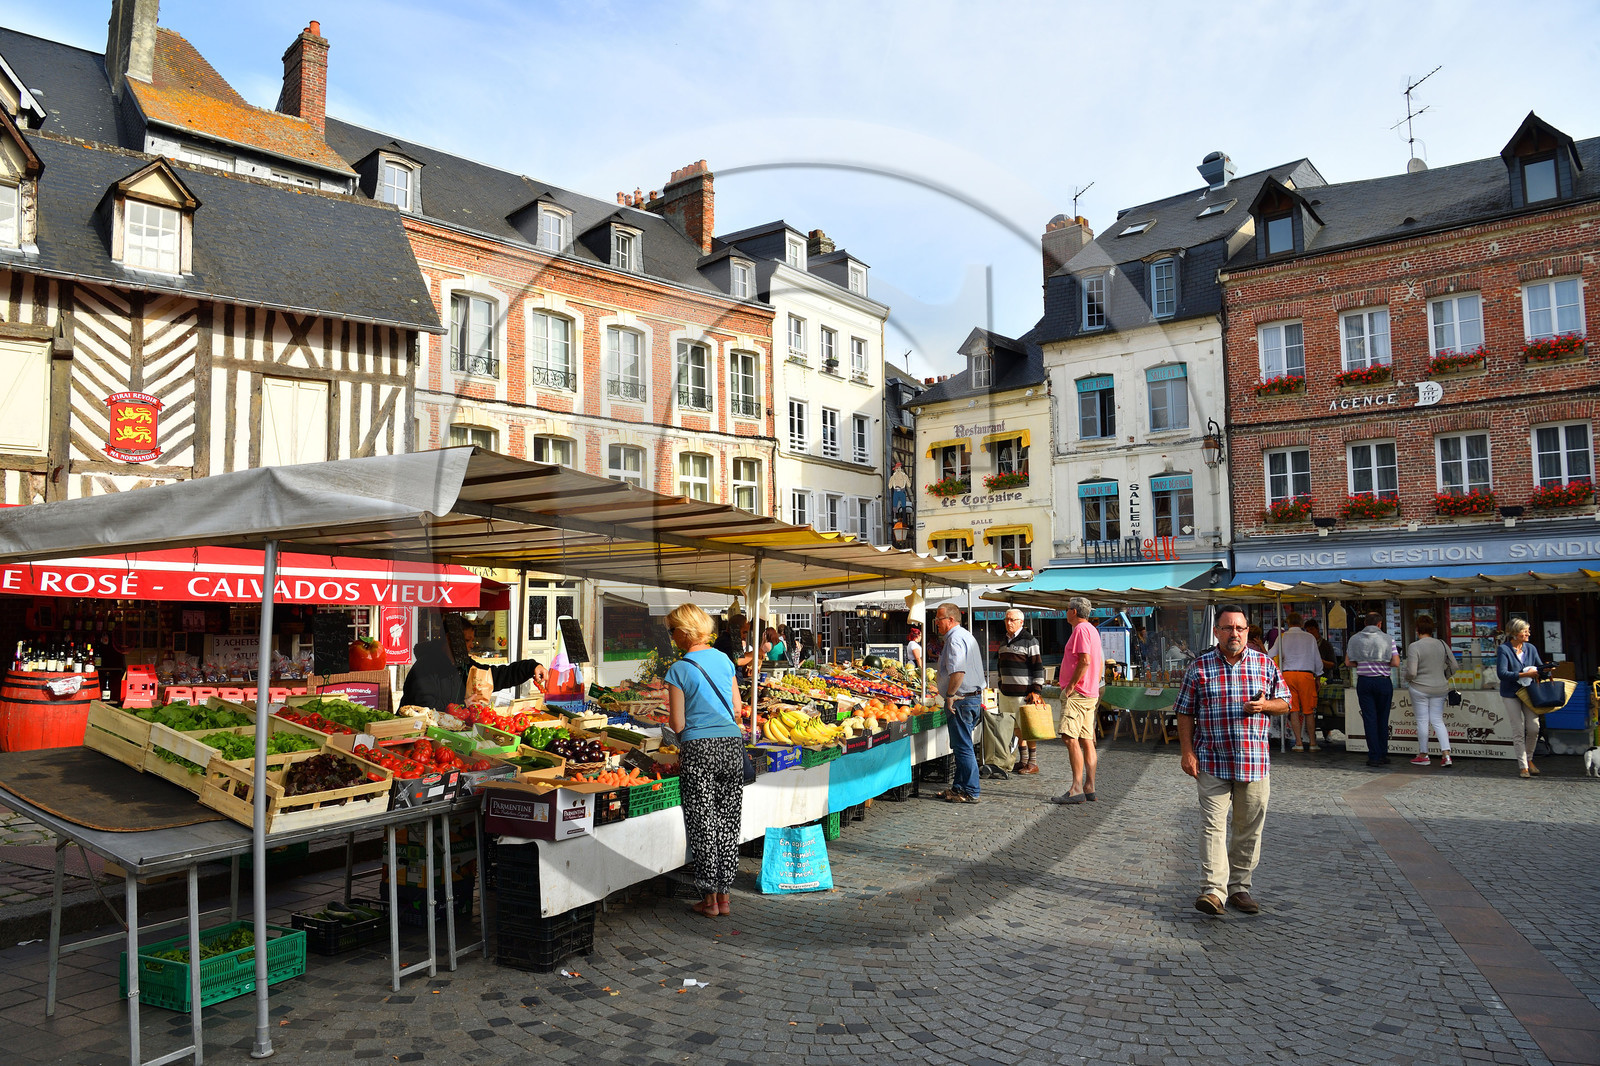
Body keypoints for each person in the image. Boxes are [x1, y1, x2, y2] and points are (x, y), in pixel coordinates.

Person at [1175, 605, 1293, 917]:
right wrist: (1187, 752)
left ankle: (1240, 887)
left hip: (1254, 762)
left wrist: (1265, 704)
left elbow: (1285, 702)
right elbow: (1184, 712)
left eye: (1239, 628)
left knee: (1248, 829)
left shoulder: (1264, 664)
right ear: (1216, 632)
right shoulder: (1199, 667)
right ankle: (1214, 890)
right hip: (1212, 760)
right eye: (1227, 628)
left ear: (1247, 631)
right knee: (1213, 826)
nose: (1234, 634)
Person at [662, 603, 745, 918]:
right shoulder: (724, 659)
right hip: (731, 744)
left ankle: (709, 900)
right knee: (728, 820)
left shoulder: (679, 669)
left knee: (703, 822)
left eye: (672, 631)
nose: (671, 637)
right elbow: (737, 707)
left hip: (700, 749)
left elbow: (678, 724)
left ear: (684, 632)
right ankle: (725, 898)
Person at [400, 613, 546, 711]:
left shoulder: (465, 665)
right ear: (450, 638)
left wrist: (531, 667)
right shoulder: (425, 668)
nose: (471, 645)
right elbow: (422, 707)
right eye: (467, 640)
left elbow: (497, 675)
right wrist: (463, 705)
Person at [1051, 596, 1103, 805]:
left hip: (1079, 694)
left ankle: (1076, 788)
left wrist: (1071, 686)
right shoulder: (1092, 630)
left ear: (1074, 611)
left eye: (1067, 609)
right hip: (1090, 692)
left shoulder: (1081, 630)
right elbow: (1097, 663)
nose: (1065, 612)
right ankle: (1089, 786)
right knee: (1086, 739)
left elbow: (1085, 660)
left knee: (1069, 737)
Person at [932, 602, 985, 803]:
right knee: (963, 745)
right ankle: (959, 787)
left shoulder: (954, 640)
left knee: (963, 747)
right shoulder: (966, 635)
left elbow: (958, 672)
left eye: (939, 619)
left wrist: (950, 695)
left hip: (962, 699)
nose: (936, 623)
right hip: (972, 698)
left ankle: (971, 791)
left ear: (951, 620)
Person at [993, 608, 1045, 776]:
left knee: (1028, 727)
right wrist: (1000, 683)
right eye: (1007, 619)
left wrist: (1037, 690)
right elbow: (999, 665)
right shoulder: (1003, 641)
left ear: (1021, 622)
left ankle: (1033, 762)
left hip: (1024, 693)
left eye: (1013, 620)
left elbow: (1037, 666)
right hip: (1007, 692)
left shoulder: (1030, 641)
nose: (1009, 622)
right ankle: (1022, 760)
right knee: (1016, 728)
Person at [1347, 612, 1400, 768]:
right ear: (1379, 624)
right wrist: (1382, 665)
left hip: (1364, 682)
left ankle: (1374, 756)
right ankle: (1383, 753)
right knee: (1383, 719)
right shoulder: (1388, 638)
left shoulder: (1354, 639)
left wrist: (1363, 664)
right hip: (1383, 681)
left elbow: (1348, 662)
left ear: (1365, 623)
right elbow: (1396, 662)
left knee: (1369, 719)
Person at [1496, 617, 1546, 779]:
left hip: (1529, 692)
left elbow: (1538, 667)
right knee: (1518, 728)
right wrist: (1524, 674)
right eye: (1525, 631)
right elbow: (1502, 674)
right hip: (1511, 693)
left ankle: (1530, 759)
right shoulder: (1504, 649)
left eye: (1528, 630)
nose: (1528, 633)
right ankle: (1523, 765)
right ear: (1515, 633)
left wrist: (1546, 670)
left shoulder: (1531, 648)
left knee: (1533, 727)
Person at [1405, 615, 1457, 767]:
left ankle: (1423, 754)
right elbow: (1454, 666)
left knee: (1422, 720)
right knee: (1438, 720)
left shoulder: (1414, 646)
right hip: (1440, 687)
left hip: (1419, 687)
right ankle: (1446, 755)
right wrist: (1444, 676)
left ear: (1417, 630)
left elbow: (1412, 672)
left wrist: (1407, 678)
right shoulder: (1442, 644)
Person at [1269, 612, 1322, 753]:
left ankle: (1298, 742)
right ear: (1302, 623)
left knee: (1293, 710)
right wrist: (1318, 676)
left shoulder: (1282, 637)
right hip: (1306, 676)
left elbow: (1270, 654)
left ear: (1287, 622)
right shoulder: (1310, 637)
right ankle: (1312, 743)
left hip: (1288, 675)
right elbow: (1317, 659)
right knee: (1309, 711)